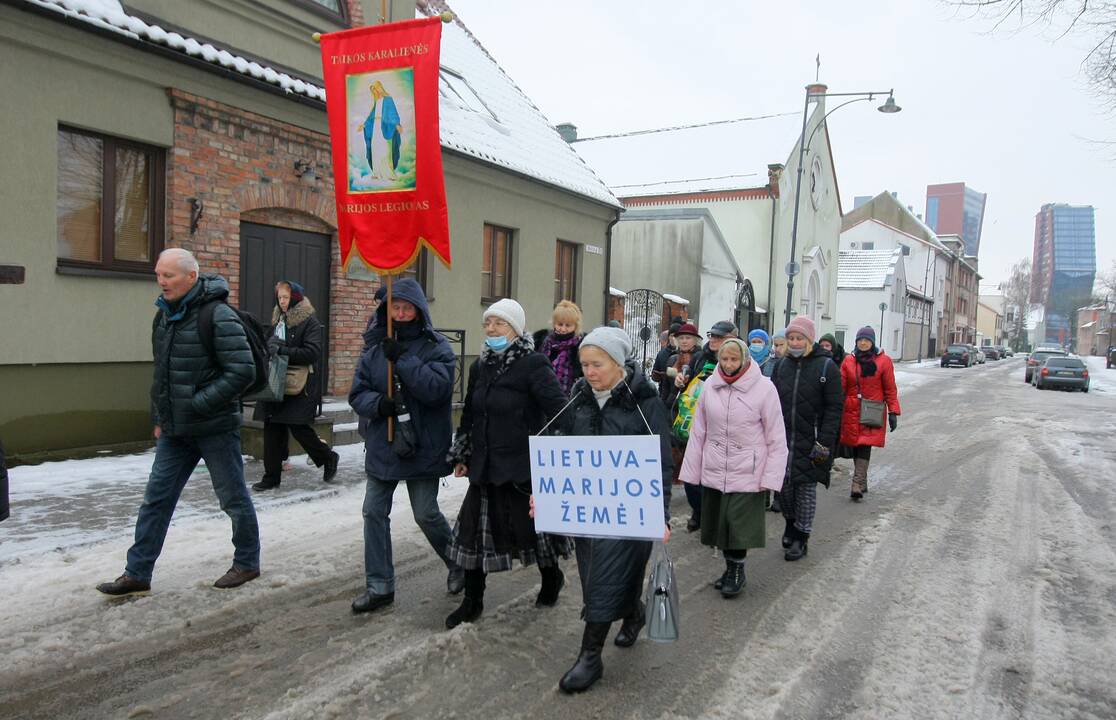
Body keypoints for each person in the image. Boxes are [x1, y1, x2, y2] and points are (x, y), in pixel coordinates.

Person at [96, 249, 260, 596]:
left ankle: (247, 562)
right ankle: (137, 572)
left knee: (232, 498)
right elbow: (162, 375)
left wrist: (199, 402)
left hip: (214, 428)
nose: (161, 281)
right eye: (158, 274)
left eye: (168, 275)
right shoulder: (164, 317)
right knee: (156, 500)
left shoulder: (218, 316)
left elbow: (243, 371)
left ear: (191, 276)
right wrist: (159, 416)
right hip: (176, 432)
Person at [546, 327, 673, 693]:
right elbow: (562, 451)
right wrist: (548, 491)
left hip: (629, 513)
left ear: (618, 363)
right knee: (595, 579)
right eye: (584, 364)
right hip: (589, 512)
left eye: (597, 364)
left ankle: (590, 658)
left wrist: (659, 513)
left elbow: (660, 463)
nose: (589, 371)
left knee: (604, 577)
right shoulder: (578, 398)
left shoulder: (644, 402)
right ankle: (633, 611)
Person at [445, 299, 571, 629]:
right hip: (485, 466)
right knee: (473, 536)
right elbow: (471, 414)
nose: (491, 330)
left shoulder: (533, 364)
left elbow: (560, 411)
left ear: (515, 330)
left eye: (499, 324)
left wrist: (557, 455)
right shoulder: (479, 367)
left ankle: (551, 577)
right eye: (488, 323)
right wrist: (463, 453)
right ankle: (472, 601)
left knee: (534, 533)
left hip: (522, 468)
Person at [348, 278, 463, 614]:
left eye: (406, 307)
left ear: (418, 310)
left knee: (425, 513)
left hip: (423, 444)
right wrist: (377, 405)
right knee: (373, 511)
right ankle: (380, 585)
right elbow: (357, 393)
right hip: (384, 443)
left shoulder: (437, 346)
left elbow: (437, 390)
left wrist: (403, 360)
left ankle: (460, 562)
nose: (400, 313)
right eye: (395, 307)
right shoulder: (374, 348)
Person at [680, 338, 786, 597]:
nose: (728, 365)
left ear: (745, 360)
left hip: (748, 469)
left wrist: (771, 478)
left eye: (733, 359)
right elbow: (699, 431)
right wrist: (692, 471)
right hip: (716, 466)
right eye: (724, 359)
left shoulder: (764, 389)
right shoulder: (710, 387)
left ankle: (737, 570)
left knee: (737, 524)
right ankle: (730, 568)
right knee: (720, 524)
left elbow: (776, 436)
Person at [252, 280, 338, 491]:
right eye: (279, 297)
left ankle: (328, 457)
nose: (282, 301)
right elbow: (270, 346)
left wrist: (283, 351)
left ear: (296, 298)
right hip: (275, 381)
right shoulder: (278, 320)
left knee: (299, 427)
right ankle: (271, 477)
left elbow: (312, 353)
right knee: (272, 427)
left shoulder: (309, 322)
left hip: (298, 384)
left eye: (286, 297)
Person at [770, 316, 842, 562]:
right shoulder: (781, 366)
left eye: (799, 338)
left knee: (806, 489)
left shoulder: (826, 367)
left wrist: (824, 441)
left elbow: (834, 408)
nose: (795, 342)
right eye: (791, 338)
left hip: (812, 438)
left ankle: (802, 535)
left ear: (810, 339)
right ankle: (791, 524)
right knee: (785, 488)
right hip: (783, 437)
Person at [675, 320, 736, 532]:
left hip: (723, 427)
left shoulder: (738, 360)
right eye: (712, 336)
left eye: (719, 337)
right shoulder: (700, 357)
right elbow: (688, 381)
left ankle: (712, 516)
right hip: (695, 422)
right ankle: (699, 510)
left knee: (714, 476)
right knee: (691, 476)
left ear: (732, 338)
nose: (714, 341)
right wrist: (682, 381)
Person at [839, 326, 900, 501]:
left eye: (866, 340)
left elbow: (890, 388)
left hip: (872, 410)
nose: (863, 343)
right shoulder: (848, 362)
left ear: (872, 342)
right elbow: (840, 387)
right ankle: (862, 480)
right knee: (855, 444)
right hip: (851, 409)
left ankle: (856, 483)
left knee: (865, 444)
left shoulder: (884, 361)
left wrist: (893, 411)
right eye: (860, 340)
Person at [533, 299, 584, 396]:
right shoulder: (542, 343)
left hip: (568, 398)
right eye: (560, 324)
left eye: (568, 325)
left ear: (575, 326)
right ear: (554, 323)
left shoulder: (581, 347)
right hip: (541, 395)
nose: (563, 329)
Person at [360, 80, 402, 181]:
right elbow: (371, 117)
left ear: (379, 88)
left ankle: (389, 173)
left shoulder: (388, 99)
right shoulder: (377, 102)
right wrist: (364, 125)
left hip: (384, 127)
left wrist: (396, 124)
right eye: (373, 91)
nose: (375, 92)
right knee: (375, 148)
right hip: (375, 127)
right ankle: (376, 172)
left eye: (375, 89)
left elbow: (392, 113)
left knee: (385, 150)